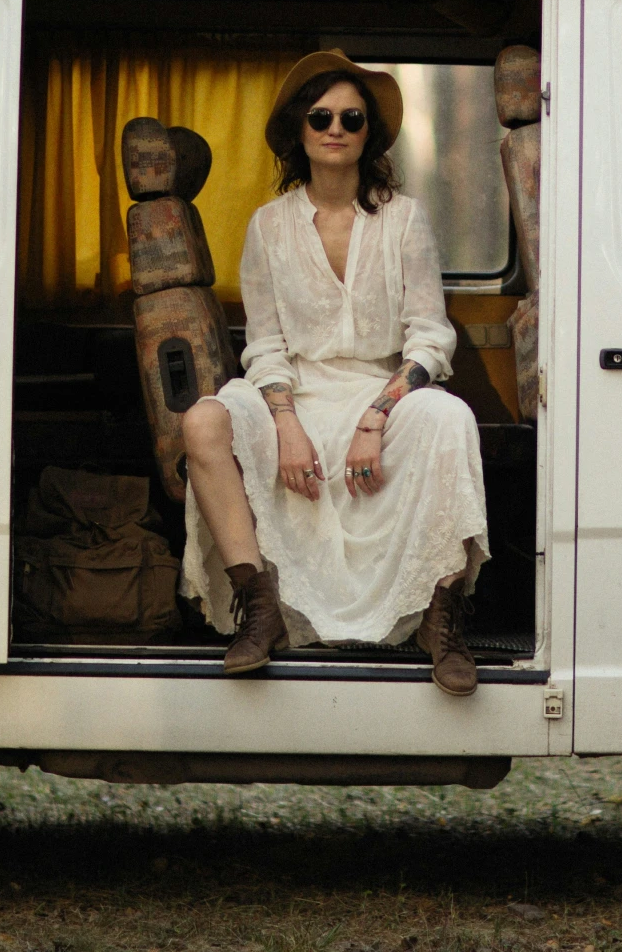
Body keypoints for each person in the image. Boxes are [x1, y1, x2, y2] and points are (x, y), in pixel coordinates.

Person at [178, 52, 490, 694]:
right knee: (205, 421)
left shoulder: (404, 219)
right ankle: (258, 607)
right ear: (300, 129)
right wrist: (284, 422)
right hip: (294, 394)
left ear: (367, 133)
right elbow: (263, 345)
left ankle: (442, 617)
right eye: (321, 115)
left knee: (451, 418)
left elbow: (431, 335)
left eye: (352, 117)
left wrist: (378, 414)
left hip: (382, 394)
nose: (336, 127)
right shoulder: (268, 227)